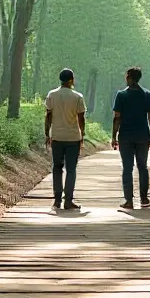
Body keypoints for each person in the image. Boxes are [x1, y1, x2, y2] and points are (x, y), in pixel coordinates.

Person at [111, 66, 150, 210]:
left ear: (128, 77)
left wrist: (113, 136)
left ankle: (129, 201)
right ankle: (144, 199)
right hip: (143, 136)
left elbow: (117, 118)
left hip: (125, 137)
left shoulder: (121, 95)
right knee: (143, 167)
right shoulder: (147, 95)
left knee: (127, 168)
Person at [44, 68, 86, 210]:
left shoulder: (52, 95)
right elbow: (81, 118)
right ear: (71, 80)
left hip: (57, 136)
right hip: (73, 137)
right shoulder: (77, 97)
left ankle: (57, 200)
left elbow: (48, 116)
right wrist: (83, 135)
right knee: (71, 169)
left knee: (57, 167)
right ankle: (68, 200)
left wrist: (46, 134)